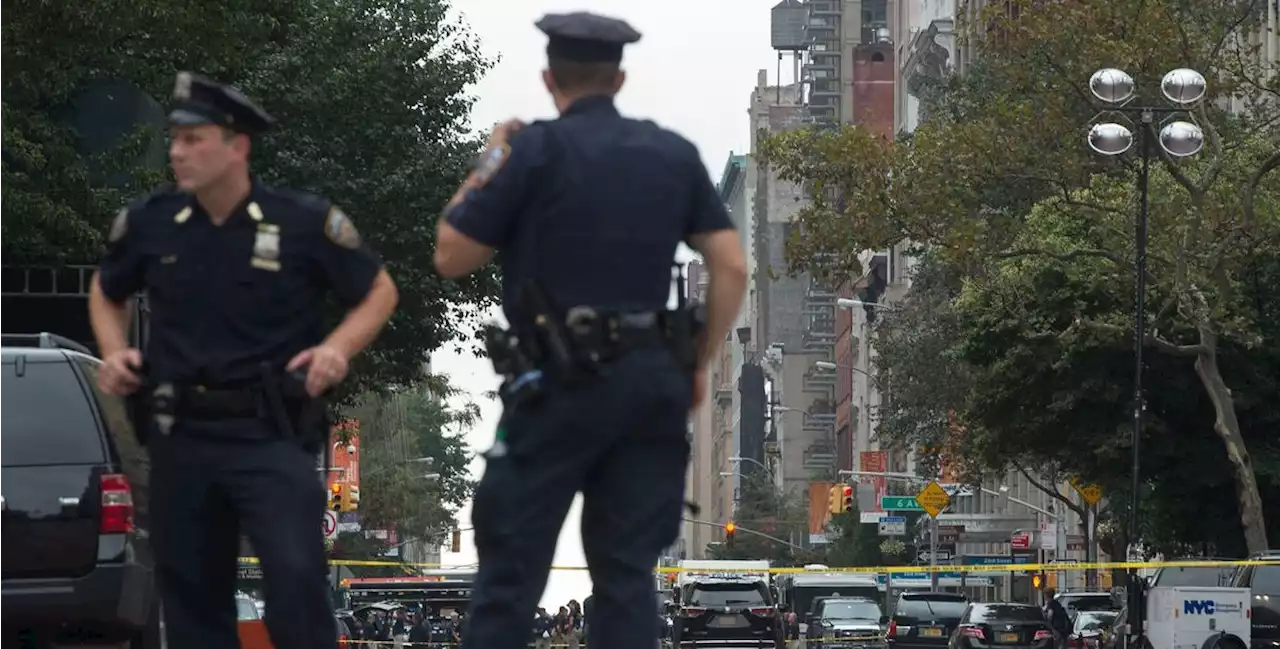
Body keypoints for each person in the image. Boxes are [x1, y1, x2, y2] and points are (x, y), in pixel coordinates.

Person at [433, 11, 747, 649]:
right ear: (620, 78)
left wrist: (493, 152)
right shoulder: (672, 153)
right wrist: (696, 361)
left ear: (549, 78)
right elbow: (731, 265)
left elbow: (452, 253)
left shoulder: (529, 151)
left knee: (511, 574)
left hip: (553, 383)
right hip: (647, 382)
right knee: (626, 575)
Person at [88, 72, 399, 649]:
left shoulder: (300, 222)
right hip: (181, 436)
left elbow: (379, 290)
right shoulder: (152, 223)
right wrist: (114, 350)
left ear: (237, 145)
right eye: (175, 140)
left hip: (270, 434)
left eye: (194, 139)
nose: (177, 152)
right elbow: (106, 290)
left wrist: (337, 348)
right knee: (193, 602)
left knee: (296, 577)